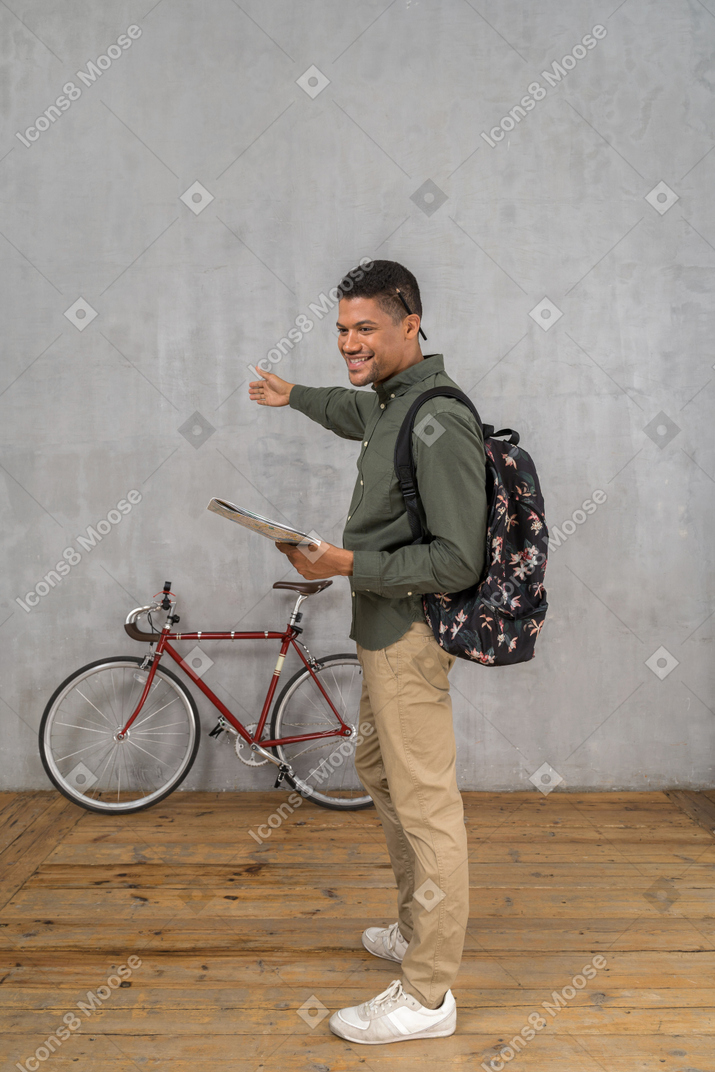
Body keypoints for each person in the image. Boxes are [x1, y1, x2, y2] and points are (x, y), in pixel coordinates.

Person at [247, 259, 488, 1044]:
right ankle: (416, 926)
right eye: (342, 329)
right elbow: (356, 415)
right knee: (379, 772)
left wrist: (344, 564)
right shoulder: (393, 402)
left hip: (412, 635)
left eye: (366, 329)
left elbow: (459, 562)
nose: (348, 343)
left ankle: (426, 997)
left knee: (427, 807)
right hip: (379, 630)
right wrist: (293, 397)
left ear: (410, 325)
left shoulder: (434, 419)